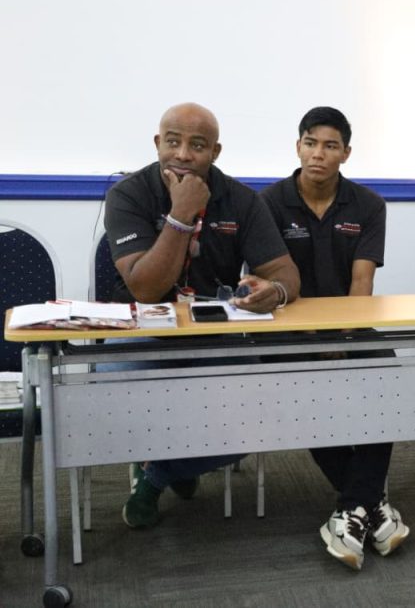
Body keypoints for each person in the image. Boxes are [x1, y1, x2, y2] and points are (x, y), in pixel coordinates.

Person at [106, 102, 300, 528]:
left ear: (215, 151)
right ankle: (176, 459)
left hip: (214, 334)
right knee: (110, 405)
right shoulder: (128, 194)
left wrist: (277, 291)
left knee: (261, 416)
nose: (183, 154)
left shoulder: (241, 200)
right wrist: (181, 214)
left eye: (197, 145)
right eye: (172, 142)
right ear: (157, 143)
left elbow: (286, 272)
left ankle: (157, 474)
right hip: (141, 331)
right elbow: (146, 288)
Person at [260, 107, 409, 570]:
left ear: (346, 153)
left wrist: (342, 338)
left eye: (330, 146)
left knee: (387, 375)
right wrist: (314, 340)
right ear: (297, 147)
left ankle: (350, 511)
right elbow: (270, 281)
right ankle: (369, 506)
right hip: (288, 330)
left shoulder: (368, 205)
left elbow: (362, 284)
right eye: (310, 143)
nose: (318, 154)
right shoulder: (268, 203)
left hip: (351, 322)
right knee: (310, 391)